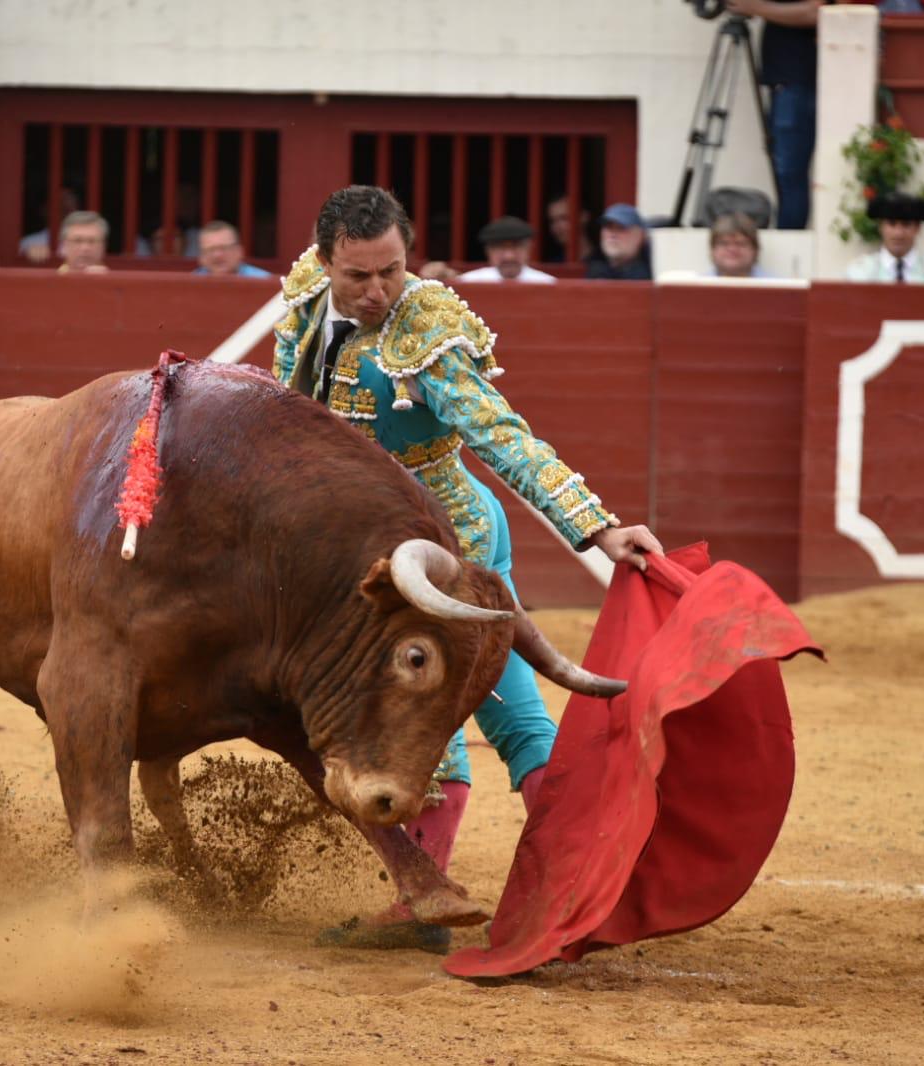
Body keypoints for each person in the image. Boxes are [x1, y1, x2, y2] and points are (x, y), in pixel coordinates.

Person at [272, 185, 663, 952]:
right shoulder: (304, 303)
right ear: (326, 264)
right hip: (360, 547)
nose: (378, 290)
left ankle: (445, 895)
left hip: (447, 540)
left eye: (391, 270)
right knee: (507, 703)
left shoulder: (428, 332)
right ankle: (571, 883)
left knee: (426, 699)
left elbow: (503, 437)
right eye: (358, 276)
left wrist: (597, 528)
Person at [727, 0, 825, 230]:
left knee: (790, 170)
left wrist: (754, 7)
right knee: (784, 168)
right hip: (785, 82)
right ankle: (788, 230)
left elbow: (816, 11)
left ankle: (790, 235)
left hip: (797, 82)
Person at [845, 192, 924, 283]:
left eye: (906, 224)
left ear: (918, 228)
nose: (898, 233)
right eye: (892, 224)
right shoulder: (860, 273)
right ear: (881, 227)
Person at [455, 216, 556, 284]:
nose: (509, 256)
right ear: (488, 251)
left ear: (529, 248)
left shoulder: (547, 283)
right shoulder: (469, 282)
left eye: (517, 246)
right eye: (500, 248)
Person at [585, 203, 653, 280]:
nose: (612, 234)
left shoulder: (653, 273)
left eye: (621, 228)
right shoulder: (595, 268)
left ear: (640, 236)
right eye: (608, 227)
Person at [193, 220, 271, 277]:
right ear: (201, 257)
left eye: (224, 248)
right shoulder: (191, 283)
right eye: (210, 250)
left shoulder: (263, 281)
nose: (217, 255)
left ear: (239, 252)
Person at [706, 213, 772, 278]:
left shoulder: (775, 286)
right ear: (712, 249)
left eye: (740, 243)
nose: (732, 249)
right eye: (724, 243)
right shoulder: (698, 284)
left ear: (755, 250)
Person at [545, 195, 594, 262]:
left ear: (584, 217)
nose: (556, 227)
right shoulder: (553, 263)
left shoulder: (604, 261)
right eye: (552, 221)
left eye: (564, 218)